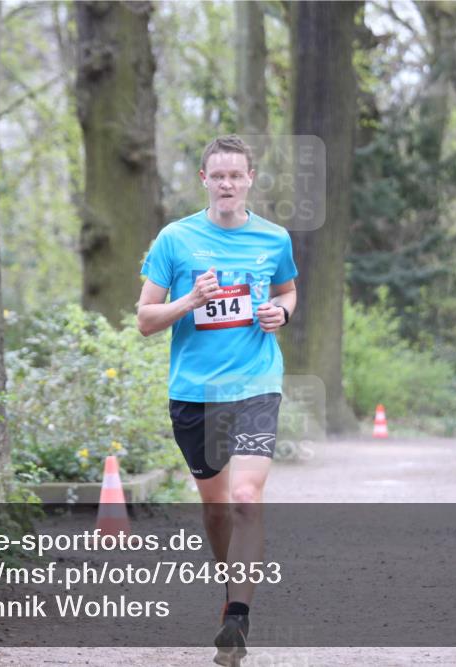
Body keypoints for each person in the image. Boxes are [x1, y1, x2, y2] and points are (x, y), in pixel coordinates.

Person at [137, 135, 298, 666]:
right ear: (204, 180)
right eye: (218, 175)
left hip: (255, 383)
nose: (228, 183)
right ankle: (230, 585)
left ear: (251, 178)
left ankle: (237, 617)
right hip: (194, 393)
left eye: (237, 175)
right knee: (215, 506)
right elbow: (145, 321)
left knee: (246, 498)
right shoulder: (174, 240)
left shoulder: (274, 239)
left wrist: (283, 313)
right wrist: (191, 300)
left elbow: (287, 290)